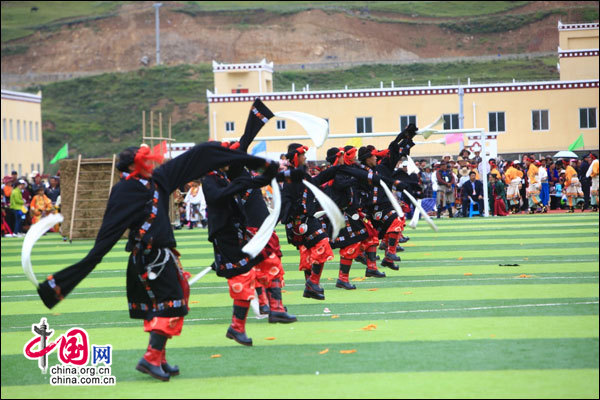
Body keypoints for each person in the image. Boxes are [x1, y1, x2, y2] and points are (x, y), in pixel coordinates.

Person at [36, 142, 268, 381]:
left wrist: (256, 162)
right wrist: (65, 280)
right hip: (149, 258)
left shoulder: (157, 179)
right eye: (145, 160)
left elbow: (197, 156)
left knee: (171, 303)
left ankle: (160, 357)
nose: (151, 163)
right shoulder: (126, 190)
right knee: (170, 304)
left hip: (162, 255)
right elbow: (108, 234)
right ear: (134, 165)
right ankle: (151, 357)